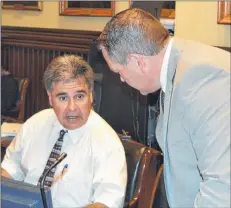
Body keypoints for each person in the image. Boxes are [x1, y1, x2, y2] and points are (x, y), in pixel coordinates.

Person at [97, 8, 230, 208]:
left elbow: (222, 188)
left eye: (119, 71)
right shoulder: (177, 66)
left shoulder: (202, 79)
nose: (122, 80)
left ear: (138, 61)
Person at [1, 55, 127, 208]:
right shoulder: (35, 124)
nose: (72, 107)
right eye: (63, 98)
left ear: (91, 95)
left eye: (79, 96)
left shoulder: (107, 143)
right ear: (50, 98)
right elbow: (10, 168)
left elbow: (106, 203)